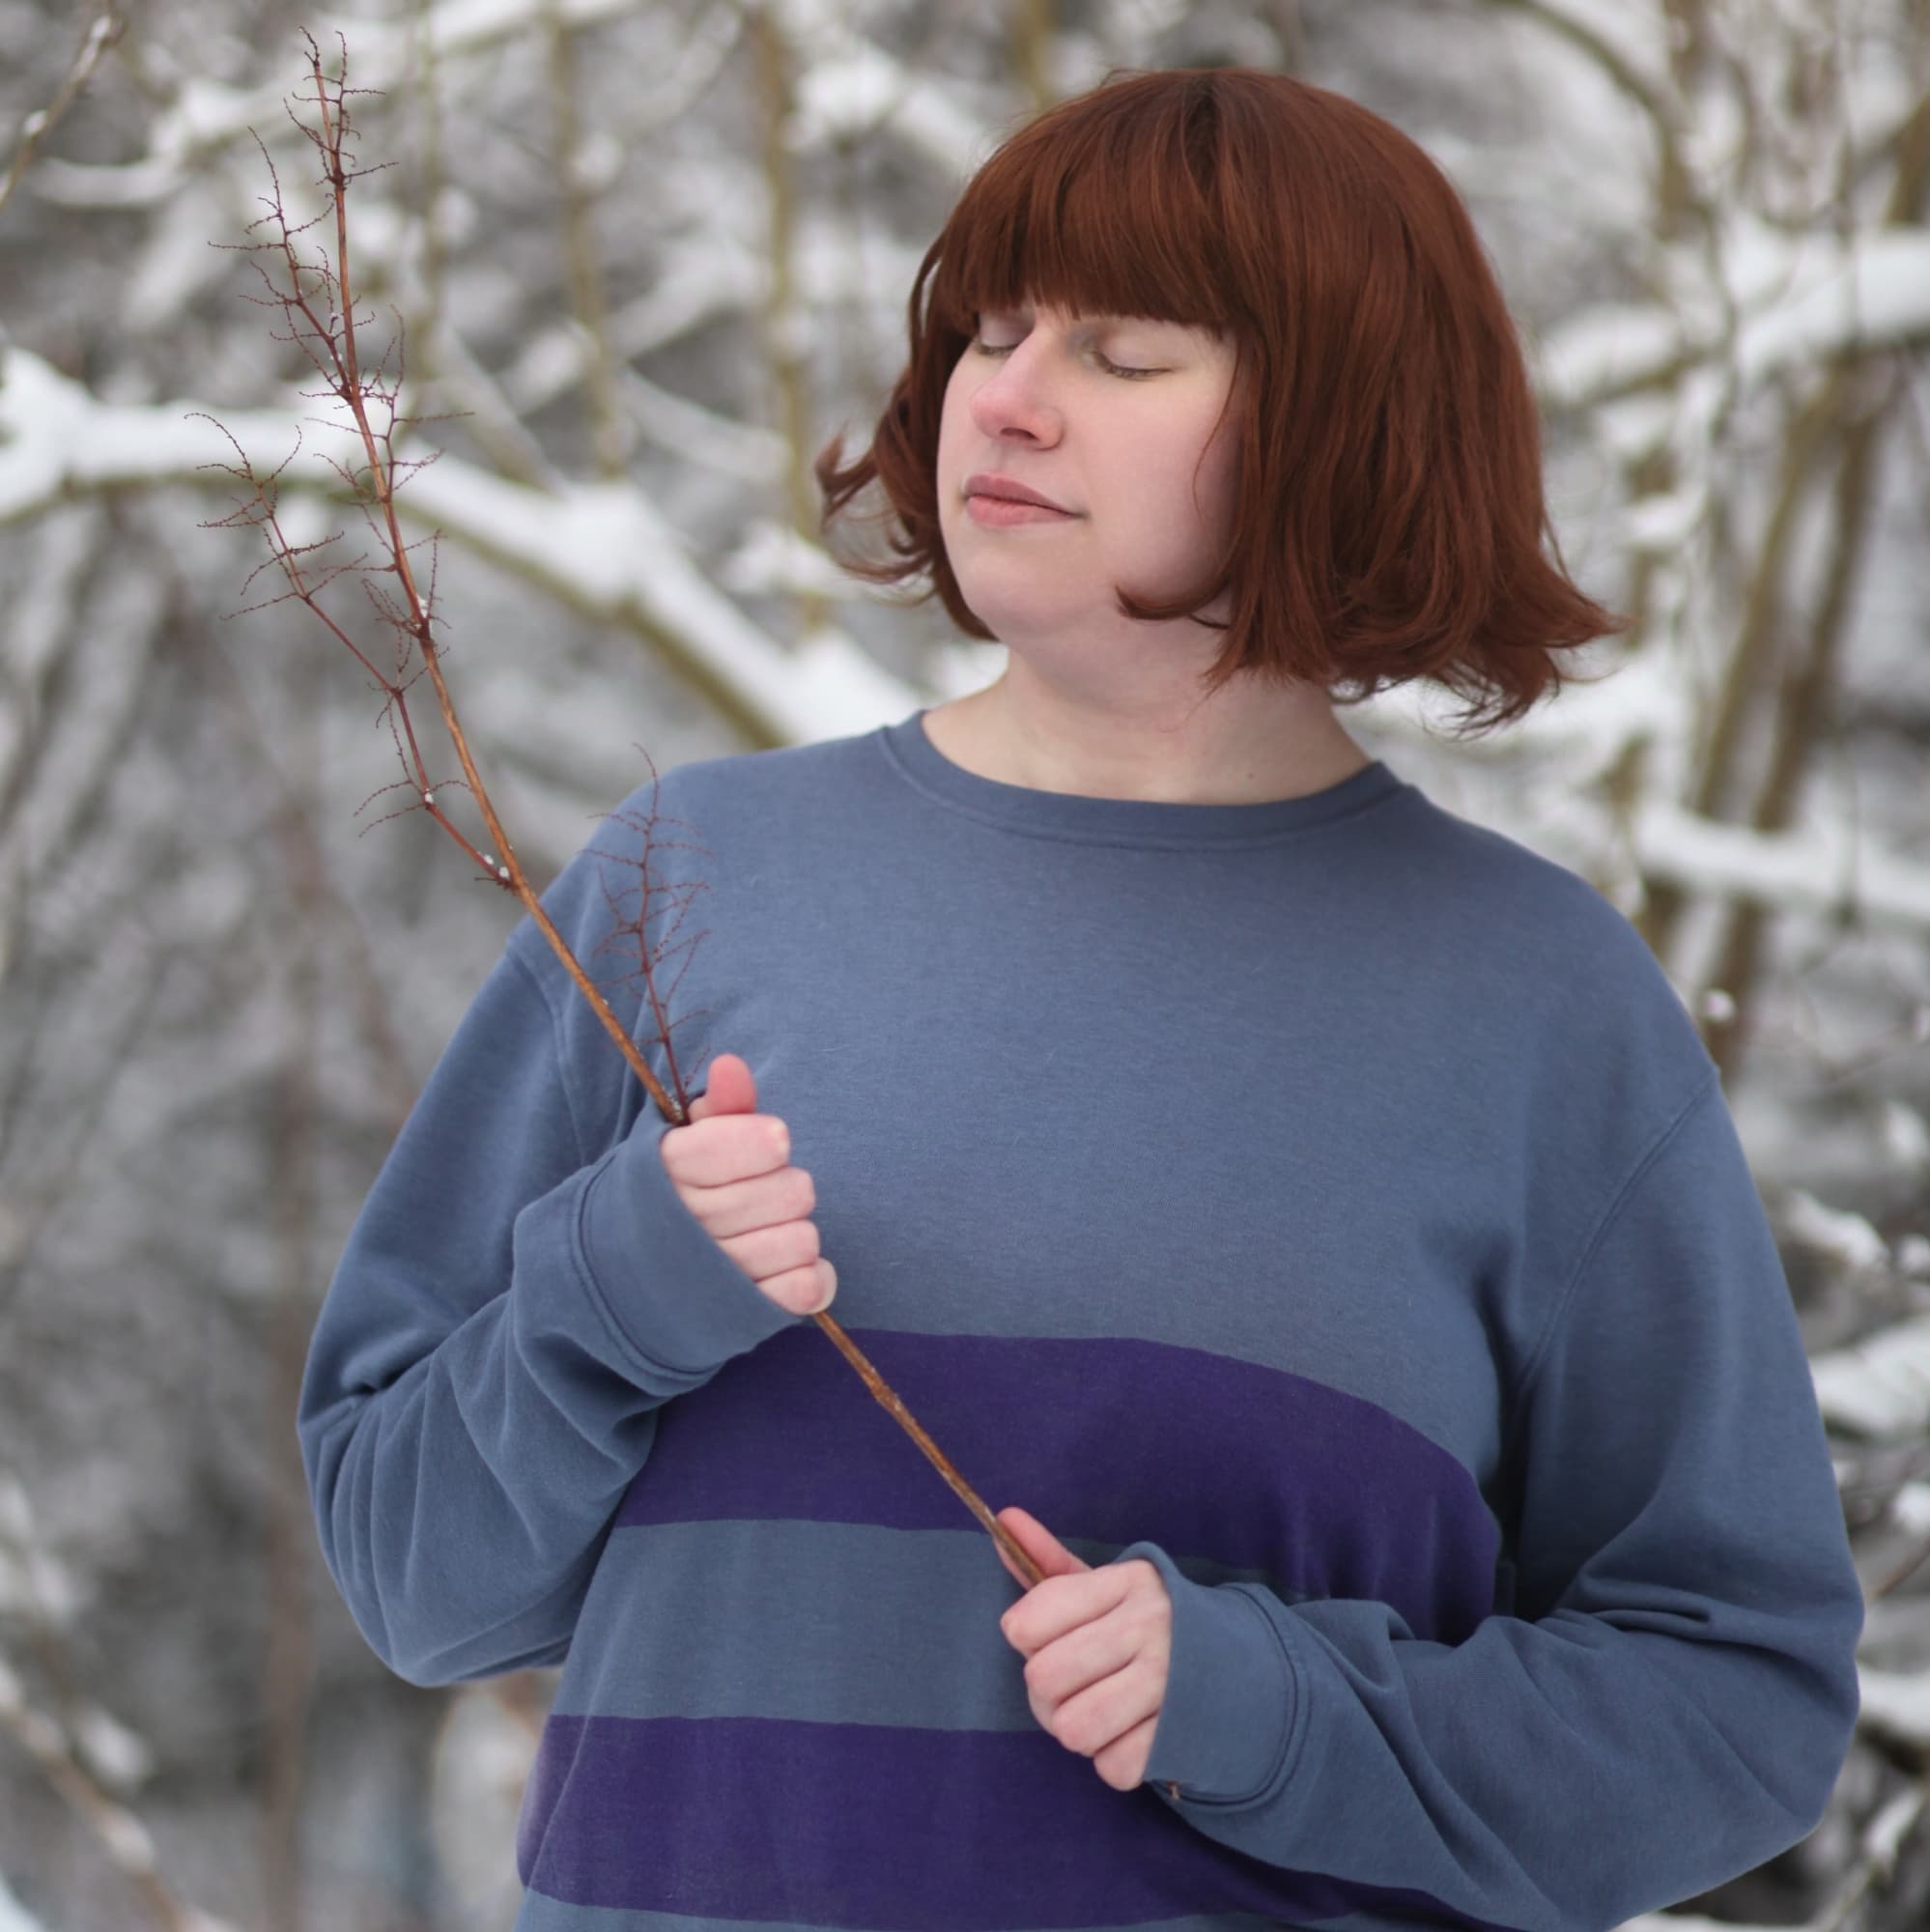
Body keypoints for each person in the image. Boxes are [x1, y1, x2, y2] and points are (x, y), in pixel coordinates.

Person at [298, 67, 1863, 1932]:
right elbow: (409, 1580)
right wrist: (608, 1298)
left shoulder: (1538, 1010)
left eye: (1123, 354)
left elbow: (1731, 1702)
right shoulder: (687, 882)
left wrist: (1284, 1715)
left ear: (1344, 427)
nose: (1009, 396)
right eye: (989, 330)